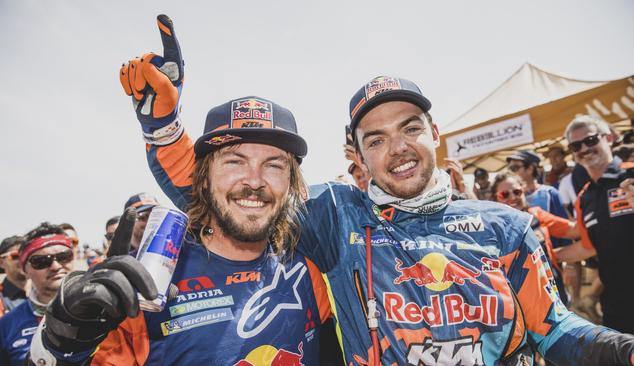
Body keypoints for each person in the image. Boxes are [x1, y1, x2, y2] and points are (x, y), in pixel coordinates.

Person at [109, 41, 634, 365]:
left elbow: (558, 332)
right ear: (356, 154)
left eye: (410, 129)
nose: (398, 149)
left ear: (435, 132)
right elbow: (238, 201)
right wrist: (163, 128)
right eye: (376, 138)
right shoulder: (337, 215)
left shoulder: (507, 227)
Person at [29, 15, 333, 366]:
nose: (254, 179)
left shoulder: (309, 268)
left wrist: (162, 128)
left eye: (275, 164)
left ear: (292, 182)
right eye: (234, 161)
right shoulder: (147, 288)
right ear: (202, 177)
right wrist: (63, 336)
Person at [555, 115, 634, 334]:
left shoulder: (631, 174)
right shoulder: (584, 198)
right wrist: (544, 254)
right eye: (576, 145)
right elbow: (588, 247)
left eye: (590, 140)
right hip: (615, 306)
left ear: (609, 138)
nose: (584, 149)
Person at [0, 223, 74, 365]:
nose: (56, 266)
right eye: (41, 261)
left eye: (64, 256)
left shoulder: (104, 311)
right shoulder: (5, 326)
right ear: (24, 268)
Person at [491, 172, 580, 306]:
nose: (513, 197)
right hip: (519, 300)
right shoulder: (491, 227)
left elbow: (575, 230)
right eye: (505, 194)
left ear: (523, 191)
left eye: (517, 191)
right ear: (495, 198)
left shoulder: (536, 215)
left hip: (553, 293)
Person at [0, 236, 27, 342]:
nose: (22, 259)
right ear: (1, 262)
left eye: (26, 254)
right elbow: (0, 342)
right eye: (16, 256)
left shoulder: (44, 291)